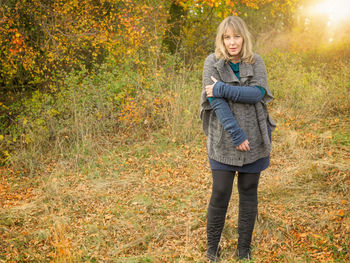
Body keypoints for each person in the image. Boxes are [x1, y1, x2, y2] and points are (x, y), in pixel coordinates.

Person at [200, 16, 276, 262]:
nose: (232, 42)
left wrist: (221, 88)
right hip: (223, 138)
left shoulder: (256, 61)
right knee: (220, 191)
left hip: (255, 137)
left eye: (237, 36)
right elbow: (216, 103)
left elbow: (257, 93)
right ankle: (213, 249)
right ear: (221, 39)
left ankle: (244, 249)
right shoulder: (212, 62)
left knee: (248, 191)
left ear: (244, 38)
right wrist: (236, 134)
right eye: (227, 37)